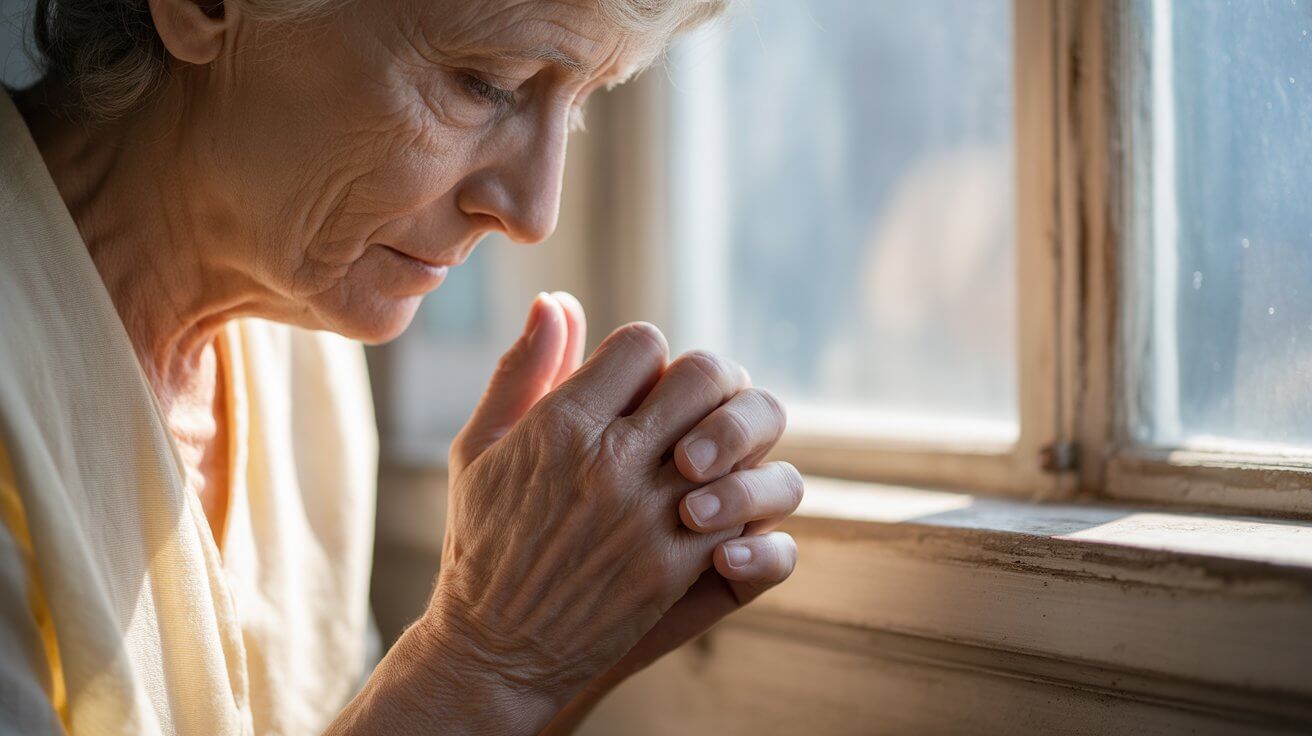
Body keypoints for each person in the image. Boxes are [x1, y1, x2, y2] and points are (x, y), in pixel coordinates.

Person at [0, 0, 804, 733]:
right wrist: (492, 660)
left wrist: (563, 653)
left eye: (587, 101)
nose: (534, 211)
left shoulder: (299, 345)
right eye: (486, 83)